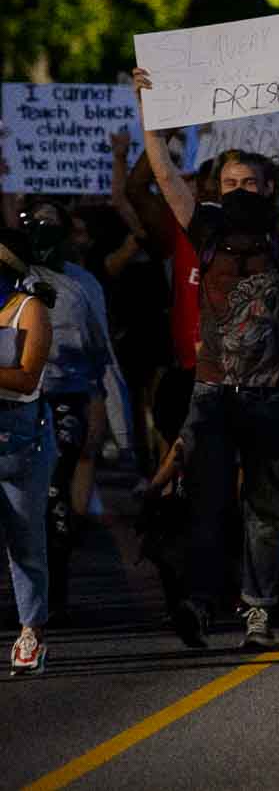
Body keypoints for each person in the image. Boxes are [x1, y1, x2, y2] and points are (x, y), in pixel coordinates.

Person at [131, 65, 279, 653]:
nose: (238, 189)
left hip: (269, 394)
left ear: (266, 187)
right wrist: (149, 111)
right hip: (211, 392)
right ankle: (198, 604)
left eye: (249, 182)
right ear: (218, 187)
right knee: (204, 504)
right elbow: (161, 174)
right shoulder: (204, 227)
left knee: (262, 508)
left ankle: (257, 611)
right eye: (229, 181)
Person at [17, 199, 123, 623]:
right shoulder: (12, 279)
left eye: (50, 222)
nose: (41, 230)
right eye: (33, 222)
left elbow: (101, 351)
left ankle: (51, 592)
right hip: (13, 402)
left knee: (54, 492)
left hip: (63, 398)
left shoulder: (81, 285)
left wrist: (111, 412)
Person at [1, 231, 57, 675]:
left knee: (24, 540)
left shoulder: (30, 310)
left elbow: (25, 377)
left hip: (20, 440)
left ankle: (31, 632)